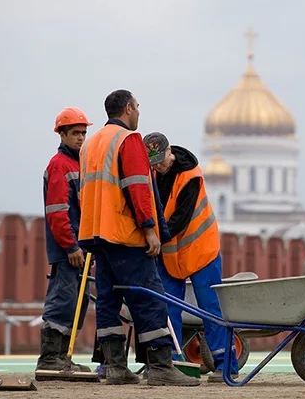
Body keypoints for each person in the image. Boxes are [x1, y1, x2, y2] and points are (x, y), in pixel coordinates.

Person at [78, 89, 199, 387]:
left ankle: (116, 367)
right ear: (129, 108)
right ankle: (160, 367)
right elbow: (137, 187)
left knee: (108, 301)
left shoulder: (90, 144)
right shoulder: (128, 140)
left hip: (96, 234)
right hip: (125, 235)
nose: (139, 112)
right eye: (138, 106)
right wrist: (149, 228)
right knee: (148, 299)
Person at [142, 132, 239, 383]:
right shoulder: (152, 174)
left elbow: (179, 220)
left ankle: (226, 365)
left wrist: (152, 238)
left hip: (200, 249)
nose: (157, 166)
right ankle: (172, 365)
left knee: (210, 308)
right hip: (171, 252)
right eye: (152, 163)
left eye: (160, 160)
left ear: (169, 152)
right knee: (167, 307)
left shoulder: (190, 177)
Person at [37, 107, 94, 374]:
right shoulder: (60, 165)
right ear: (62, 135)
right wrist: (70, 246)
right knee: (63, 300)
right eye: (75, 133)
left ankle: (64, 358)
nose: (81, 138)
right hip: (68, 250)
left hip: (80, 248)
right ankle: (51, 359)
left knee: (77, 302)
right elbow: (57, 212)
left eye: (83, 133)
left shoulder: (79, 164)